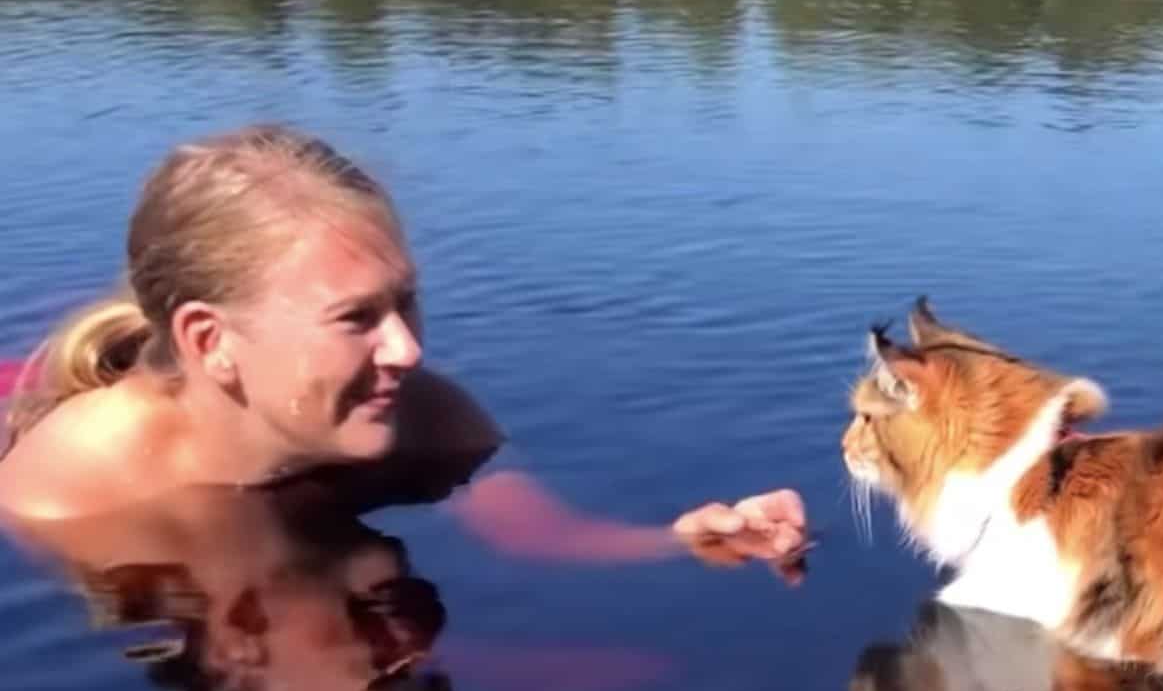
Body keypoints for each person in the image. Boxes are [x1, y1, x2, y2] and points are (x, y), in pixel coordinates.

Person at [0, 123, 808, 576]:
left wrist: (690, 537)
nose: (408, 348)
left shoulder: (429, 418)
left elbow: (537, 533)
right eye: (357, 318)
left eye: (406, 301)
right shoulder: (71, 493)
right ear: (212, 342)